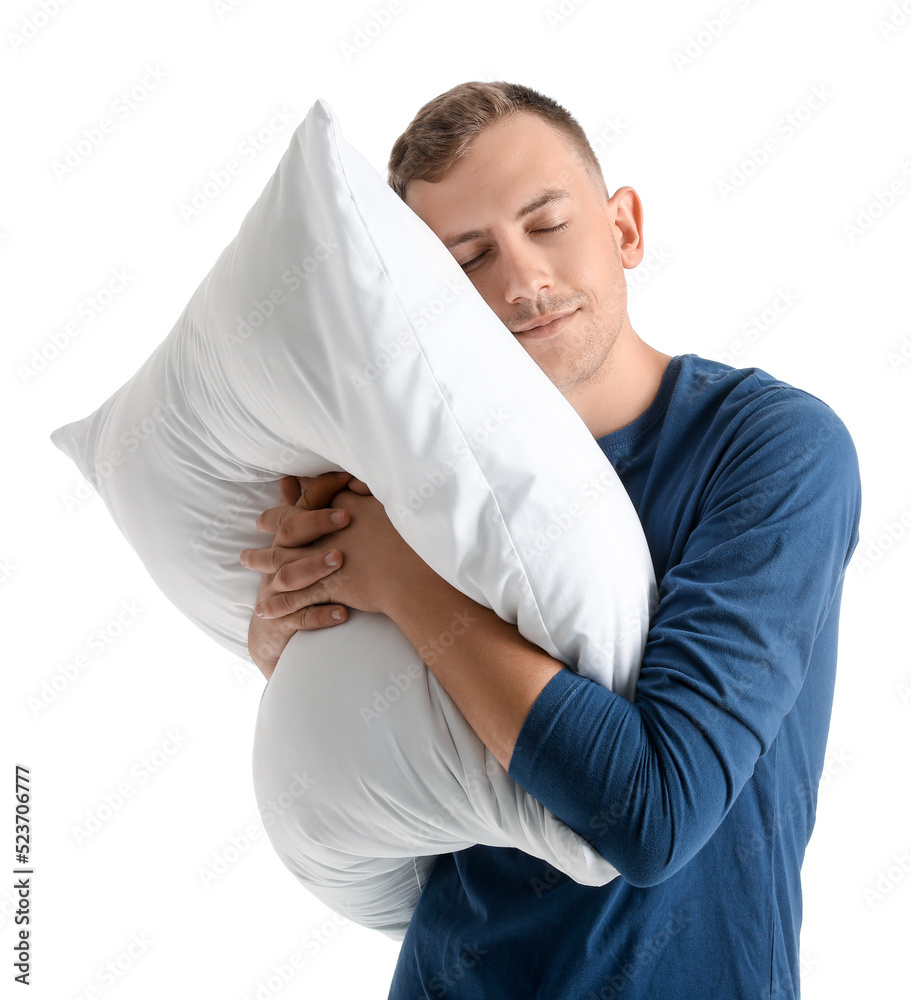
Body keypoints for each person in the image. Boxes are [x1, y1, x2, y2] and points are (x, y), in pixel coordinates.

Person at [240, 82, 862, 999]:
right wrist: (293, 643)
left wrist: (404, 582)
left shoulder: (770, 449)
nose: (520, 280)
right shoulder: (403, 479)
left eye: (546, 224)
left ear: (624, 228)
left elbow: (652, 813)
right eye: (467, 258)